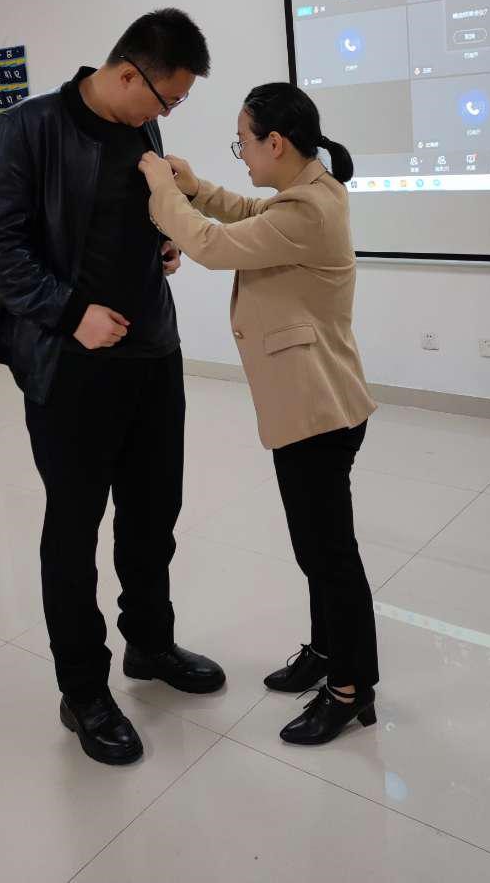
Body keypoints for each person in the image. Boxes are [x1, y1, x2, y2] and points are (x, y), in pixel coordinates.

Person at [0, 9, 225, 767]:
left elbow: (127, 217)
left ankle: (149, 644)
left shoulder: (142, 129)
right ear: (126, 73)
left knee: (153, 513)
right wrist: (69, 311)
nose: (167, 113)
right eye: (168, 98)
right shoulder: (27, 130)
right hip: (71, 363)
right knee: (75, 525)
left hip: (152, 353)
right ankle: (82, 688)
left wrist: (163, 241)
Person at [139, 82, 378, 746]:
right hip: (310, 403)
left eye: (242, 142)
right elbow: (249, 212)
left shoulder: (309, 209)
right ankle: (326, 651)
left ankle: (350, 688)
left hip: (316, 411)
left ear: (276, 143)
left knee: (328, 554)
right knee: (316, 548)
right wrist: (195, 186)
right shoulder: (307, 192)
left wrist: (161, 190)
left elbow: (214, 246)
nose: (240, 153)